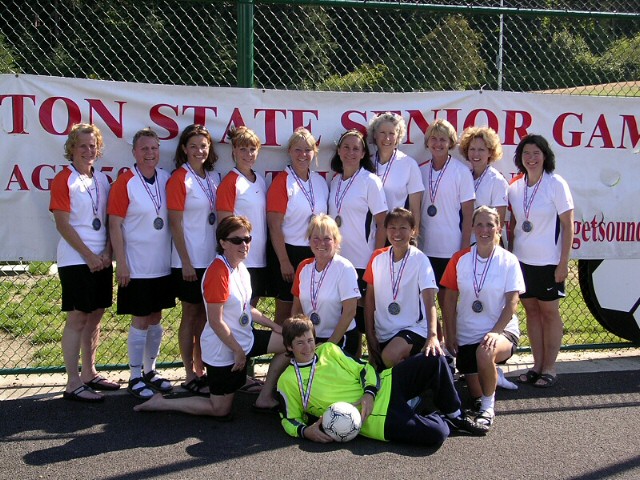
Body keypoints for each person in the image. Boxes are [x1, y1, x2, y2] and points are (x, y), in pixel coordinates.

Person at [134, 216, 289, 417]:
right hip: (223, 348)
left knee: (290, 343)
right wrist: (238, 351)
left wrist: (275, 326)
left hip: (244, 339)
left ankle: (264, 396)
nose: (244, 245)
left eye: (247, 239)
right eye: (237, 240)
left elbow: (246, 309)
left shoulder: (240, 268)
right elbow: (216, 321)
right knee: (220, 410)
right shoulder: (218, 272)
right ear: (223, 243)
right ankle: (161, 403)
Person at [276, 315, 488, 445]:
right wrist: (305, 431)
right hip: (376, 417)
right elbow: (289, 419)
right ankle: (425, 410)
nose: (308, 347)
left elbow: (364, 368)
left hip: (384, 385)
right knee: (438, 434)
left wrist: (369, 392)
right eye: (300, 343)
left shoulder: (329, 350)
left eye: (310, 340)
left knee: (434, 359)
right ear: (288, 347)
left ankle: (455, 414)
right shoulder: (287, 381)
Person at [49, 123, 119, 402]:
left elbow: (110, 221)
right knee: (78, 318)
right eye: (82, 146)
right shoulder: (63, 179)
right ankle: (72, 382)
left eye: (93, 146)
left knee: (96, 314)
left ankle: (89, 372)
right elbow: (62, 224)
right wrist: (89, 256)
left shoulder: (102, 180)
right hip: (76, 260)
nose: (88, 151)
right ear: (72, 149)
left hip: (101, 259)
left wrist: (106, 253)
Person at [441, 206, 525, 427]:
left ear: (498, 228)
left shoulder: (508, 260)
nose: (484, 229)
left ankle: (488, 410)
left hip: (501, 330)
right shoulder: (459, 259)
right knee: (475, 394)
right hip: (468, 333)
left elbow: (512, 303)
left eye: (490, 224)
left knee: (485, 352)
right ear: (472, 228)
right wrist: (450, 334)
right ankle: (489, 382)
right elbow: (449, 300)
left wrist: (495, 332)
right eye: (479, 224)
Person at [108, 128, 175, 400]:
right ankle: (134, 375)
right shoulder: (125, 181)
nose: (150, 154)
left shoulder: (166, 178)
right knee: (140, 319)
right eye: (144, 149)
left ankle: (151, 370)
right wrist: (121, 263)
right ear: (134, 152)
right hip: (136, 265)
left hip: (161, 264)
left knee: (156, 317)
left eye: (154, 149)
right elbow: (115, 224)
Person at [508, 135, 574, 388]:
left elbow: (568, 226)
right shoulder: (515, 187)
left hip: (549, 263)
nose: (531, 158)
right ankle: (536, 366)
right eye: (526, 153)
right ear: (520, 158)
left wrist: (563, 262)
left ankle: (550, 367)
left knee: (549, 313)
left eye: (536, 153)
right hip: (523, 262)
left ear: (545, 156)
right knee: (532, 313)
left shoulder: (556, 184)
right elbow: (515, 224)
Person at [167, 124, 221, 396]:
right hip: (188, 261)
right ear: (184, 149)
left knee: (205, 316)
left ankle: (202, 368)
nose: (199, 150)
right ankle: (189, 372)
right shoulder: (180, 178)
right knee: (190, 314)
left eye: (204, 145)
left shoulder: (212, 177)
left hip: (211, 260)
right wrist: (186, 261)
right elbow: (175, 224)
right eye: (194, 146)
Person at [328, 129, 388, 339]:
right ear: (338, 150)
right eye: (346, 147)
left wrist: (375, 259)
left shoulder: (370, 181)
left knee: (365, 319)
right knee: (343, 317)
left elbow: (382, 223)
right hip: (337, 261)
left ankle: (373, 364)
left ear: (363, 153)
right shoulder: (335, 182)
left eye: (356, 148)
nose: (350, 152)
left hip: (362, 261)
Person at [418, 119, 475, 338]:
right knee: (427, 300)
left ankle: (454, 346)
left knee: (448, 302)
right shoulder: (421, 170)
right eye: (434, 138)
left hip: (451, 248)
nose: (438, 143)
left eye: (443, 139)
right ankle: (438, 344)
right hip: (425, 248)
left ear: (451, 142)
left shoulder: (461, 172)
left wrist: (463, 249)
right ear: (427, 142)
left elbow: (468, 213)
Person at [364, 208, 440, 370]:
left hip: (413, 328)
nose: (397, 233)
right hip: (384, 332)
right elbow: (369, 300)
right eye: (392, 227)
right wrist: (370, 335)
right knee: (379, 369)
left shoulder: (420, 259)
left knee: (390, 357)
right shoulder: (377, 258)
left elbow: (429, 300)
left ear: (413, 231)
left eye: (403, 228)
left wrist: (432, 335)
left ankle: (415, 390)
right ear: (385, 230)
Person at [267, 128, 329, 325]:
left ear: (314, 152)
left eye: (307, 150)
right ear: (289, 152)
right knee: (286, 311)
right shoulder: (282, 182)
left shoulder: (320, 182)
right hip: (289, 253)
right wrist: (284, 261)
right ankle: (282, 351)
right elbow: (274, 225)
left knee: (311, 307)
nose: (303, 155)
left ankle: (306, 352)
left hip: (314, 253)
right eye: (297, 150)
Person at [291, 214, 360, 356]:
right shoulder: (303, 267)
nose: (321, 243)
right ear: (309, 240)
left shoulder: (344, 268)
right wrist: (299, 340)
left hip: (339, 337)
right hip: (310, 338)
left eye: (327, 239)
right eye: (315, 238)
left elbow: (350, 312)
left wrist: (329, 345)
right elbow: (296, 310)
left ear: (336, 241)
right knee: (284, 362)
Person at [217, 127, 268, 307]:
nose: (248, 154)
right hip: (240, 257)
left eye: (252, 149)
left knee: (251, 306)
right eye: (243, 149)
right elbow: (224, 225)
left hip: (259, 256)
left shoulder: (260, 180)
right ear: (234, 151)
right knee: (237, 308)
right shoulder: (230, 182)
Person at [367, 112, 424, 233]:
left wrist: (413, 237)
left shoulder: (409, 164)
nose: (387, 138)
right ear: (375, 135)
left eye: (391, 133)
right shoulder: (367, 164)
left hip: (396, 233)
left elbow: (415, 210)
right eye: (382, 133)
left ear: (398, 137)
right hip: (370, 232)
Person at [458, 126, 509, 243]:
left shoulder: (497, 181)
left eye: (481, 150)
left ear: (490, 152)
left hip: (485, 245)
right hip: (463, 241)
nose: (476, 154)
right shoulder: (464, 176)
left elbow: (498, 223)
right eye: (472, 149)